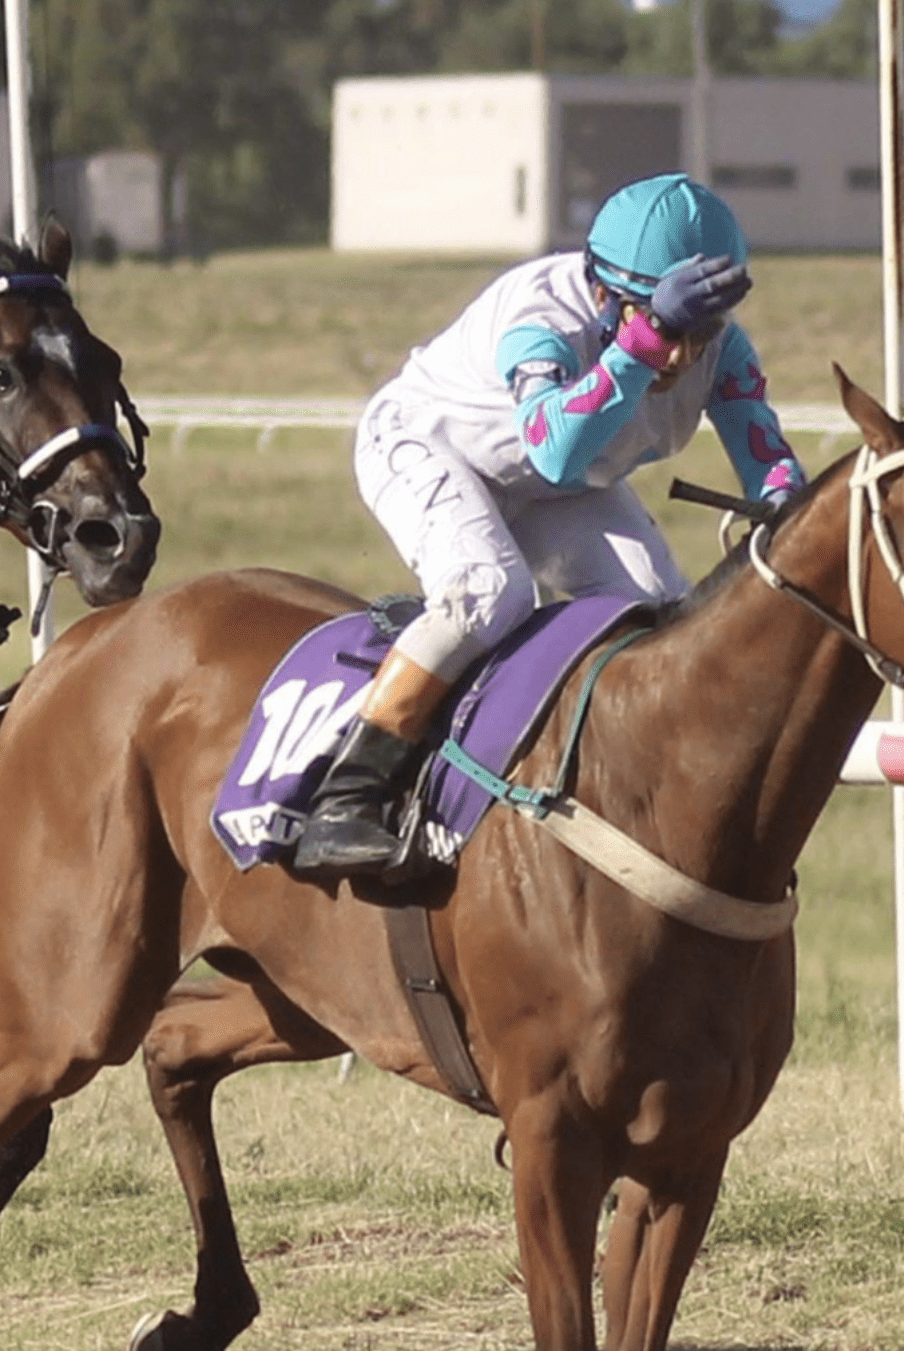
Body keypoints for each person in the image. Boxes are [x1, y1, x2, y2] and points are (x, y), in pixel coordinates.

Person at [292, 170, 807, 879]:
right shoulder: (542, 313)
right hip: (428, 444)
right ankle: (345, 796)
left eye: (703, 331)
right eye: (662, 325)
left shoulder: (720, 347)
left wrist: (786, 507)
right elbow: (555, 447)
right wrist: (643, 343)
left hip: (554, 486)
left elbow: (771, 465)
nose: (684, 356)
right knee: (489, 590)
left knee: (660, 610)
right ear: (602, 294)